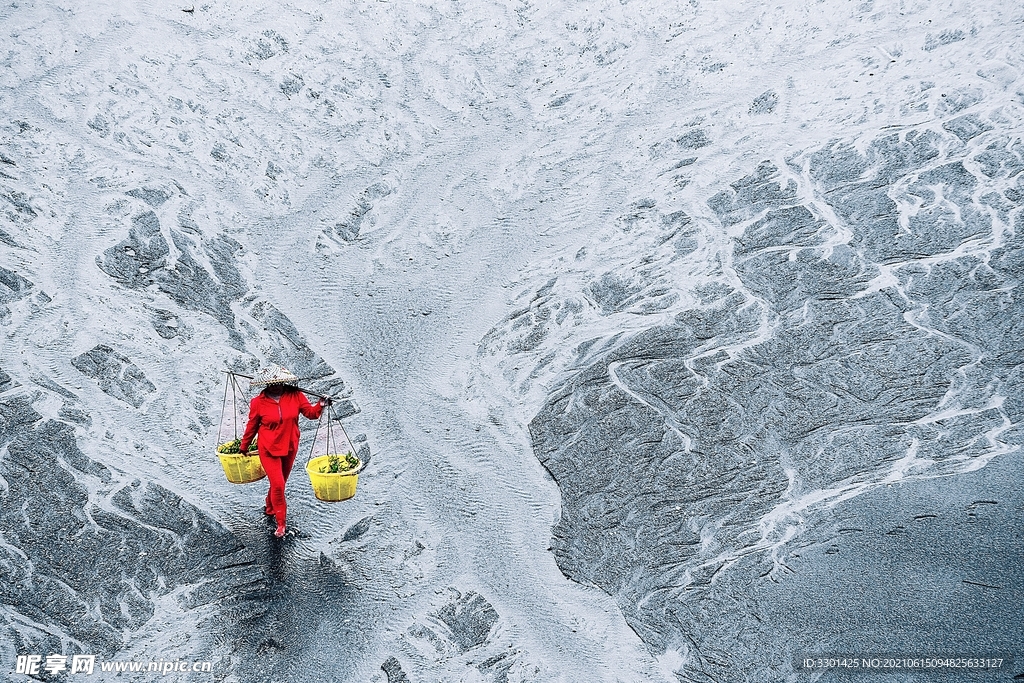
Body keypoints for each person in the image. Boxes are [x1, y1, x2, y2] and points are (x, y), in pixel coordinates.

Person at [239, 366, 330, 537]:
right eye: (273, 383)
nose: (278, 386)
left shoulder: (295, 395)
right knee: (279, 485)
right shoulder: (258, 403)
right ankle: (281, 523)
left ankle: (269, 506)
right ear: (266, 385)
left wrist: (321, 405)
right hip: (268, 448)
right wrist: (244, 446)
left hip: (289, 446)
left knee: (279, 483)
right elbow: (252, 427)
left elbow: (310, 413)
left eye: (280, 382)